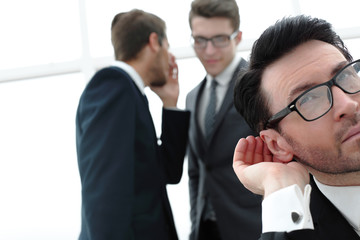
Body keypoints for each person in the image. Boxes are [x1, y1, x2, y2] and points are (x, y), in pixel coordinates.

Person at [233, 15, 360, 239]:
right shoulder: (296, 229)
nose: (347, 105)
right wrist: (279, 184)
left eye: (346, 75)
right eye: (309, 99)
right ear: (277, 144)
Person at [76, 9, 190, 240]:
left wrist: (170, 102)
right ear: (154, 41)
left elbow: (167, 172)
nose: (170, 58)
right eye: (167, 46)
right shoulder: (112, 87)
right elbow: (104, 193)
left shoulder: (130, 93)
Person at [186, 0, 262, 239]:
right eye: (200, 40)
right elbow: (196, 172)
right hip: (206, 229)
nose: (209, 51)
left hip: (252, 226)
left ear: (237, 37)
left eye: (219, 39)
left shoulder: (259, 87)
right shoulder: (191, 98)